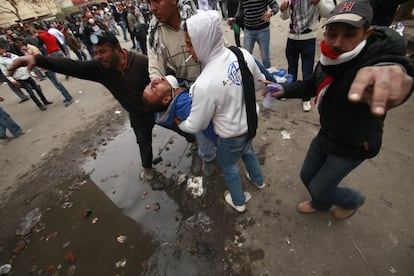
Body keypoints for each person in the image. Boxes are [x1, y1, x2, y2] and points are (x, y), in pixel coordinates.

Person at [266, 0, 414, 220]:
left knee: (320, 187)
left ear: (366, 33)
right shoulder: (330, 58)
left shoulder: (371, 60)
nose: (337, 43)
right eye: (332, 33)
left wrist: (396, 71)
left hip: (353, 145)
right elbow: (312, 84)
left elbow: (388, 65)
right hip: (327, 134)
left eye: (349, 34)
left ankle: (352, 201)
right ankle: (321, 203)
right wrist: (284, 89)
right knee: (307, 176)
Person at [8, 30, 157, 181]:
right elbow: (71, 66)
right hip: (138, 115)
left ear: (117, 48)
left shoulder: (141, 62)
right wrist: (37, 59)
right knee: (143, 142)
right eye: (96, 52)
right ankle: (148, 168)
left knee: (179, 125)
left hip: (157, 108)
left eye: (103, 51)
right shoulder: (100, 68)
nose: (98, 56)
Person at [178, 11, 266, 212]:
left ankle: (239, 201)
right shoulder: (241, 53)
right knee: (248, 150)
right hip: (251, 123)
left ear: (203, 40)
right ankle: (258, 180)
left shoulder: (204, 83)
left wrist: (180, 123)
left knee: (231, 168)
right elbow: (259, 84)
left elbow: (197, 124)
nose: (187, 49)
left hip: (231, 136)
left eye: (190, 43)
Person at [142, 75, 217, 176]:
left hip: (200, 128)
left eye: (149, 84)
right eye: (153, 88)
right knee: (206, 145)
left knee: (204, 142)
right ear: (166, 99)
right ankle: (208, 161)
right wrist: (217, 138)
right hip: (207, 130)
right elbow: (205, 122)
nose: (154, 81)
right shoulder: (184, 105)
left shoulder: (171, 101)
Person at [279, 0, 335, 112]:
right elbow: (285, 17)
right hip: (292, 37)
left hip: (308, 38)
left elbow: (330, 12)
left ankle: (306, 98)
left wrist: (318, 2)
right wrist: (283, 10)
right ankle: (289, 91)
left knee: (307, 70)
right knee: (291, 67)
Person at [147, 0, 201, 85]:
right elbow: (155, 72)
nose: (153, 8)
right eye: (149, 3)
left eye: (157, 1)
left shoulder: (200, 20)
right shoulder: (155, 35)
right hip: (187, 90)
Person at [0, 39, 52, 111]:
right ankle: (39, 105)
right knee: (31, 92)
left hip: (26, 74)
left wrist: (32, 73)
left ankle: (44, 100)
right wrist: (12, 80)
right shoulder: (1, 61)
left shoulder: (12, 55)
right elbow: (5, 72)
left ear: (3, 49)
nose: (0, 51)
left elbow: (23, 63)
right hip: (19, 77)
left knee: (37, 89)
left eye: (1, 49)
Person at [233, 0, 279, 68]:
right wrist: (235, 18)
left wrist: (271, 12)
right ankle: (249, 77)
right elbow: (241, 10)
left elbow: (275, 6)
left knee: (265, 58)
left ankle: (268, 76)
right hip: (248, 31)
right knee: (246, 57)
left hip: (263, 30)